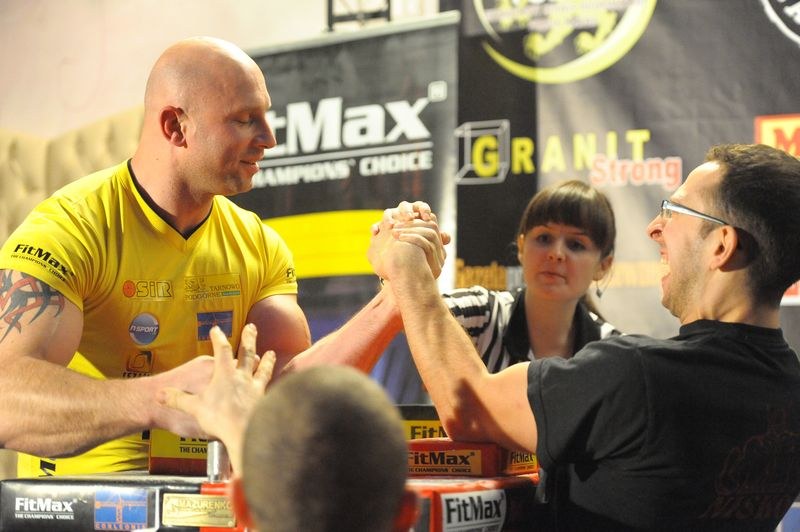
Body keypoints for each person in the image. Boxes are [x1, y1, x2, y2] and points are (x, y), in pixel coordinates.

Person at [0, 36, 406, 477]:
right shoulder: (69, 228)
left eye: (265, 116)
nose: (269, 139)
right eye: (245, 120)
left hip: (213, 494)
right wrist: (161, 399)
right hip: (86, 500)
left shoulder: (257, 242)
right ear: (176, 126)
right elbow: (6, 400)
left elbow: (291, 394)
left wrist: (397, 298)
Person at [369, 143, 800, 531]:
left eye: (675, 210)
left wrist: (407, 266)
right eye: (543, 238)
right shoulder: (790, 390)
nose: (655, 227)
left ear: (721, 245)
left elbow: (471, 407)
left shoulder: (637, 375)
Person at [161, 324, 418, 532]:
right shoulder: (402, 510)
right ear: (407, 512)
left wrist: (241, 432)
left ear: (240, 504)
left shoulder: (247, 497)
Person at [444, 179, 619, 373]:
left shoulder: (616, 354)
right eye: (544, 238)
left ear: (603, 266)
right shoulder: (481, 316)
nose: (556, 253)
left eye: (576, 244)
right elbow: (418, 309)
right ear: (521, 247)